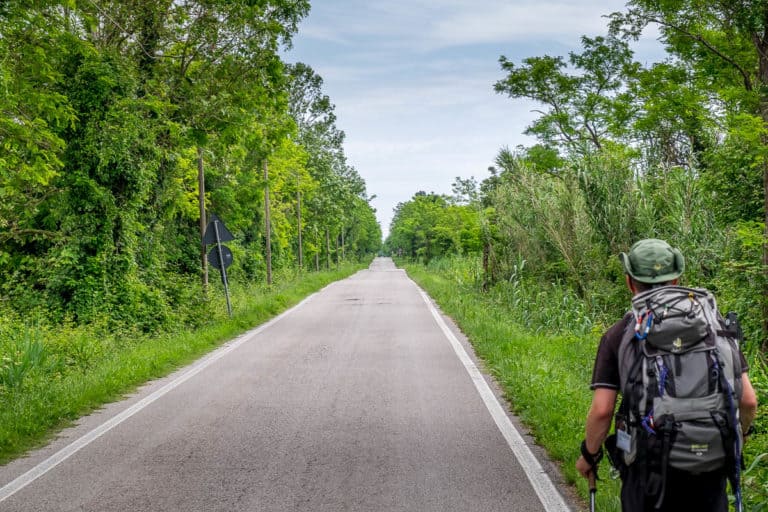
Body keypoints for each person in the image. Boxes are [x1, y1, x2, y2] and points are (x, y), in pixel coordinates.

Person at [576, 238, 758, 512]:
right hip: (710, 462)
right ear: (676, 280)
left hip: (649, 470)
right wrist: (738, 436)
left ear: (630, 282)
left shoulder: (620, 335)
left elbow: (602, 410)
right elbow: (748, 401)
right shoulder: (713, 324)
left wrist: (589, 455)